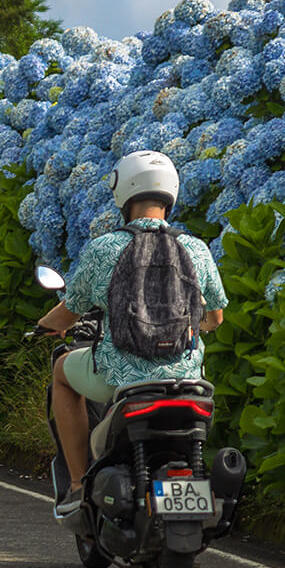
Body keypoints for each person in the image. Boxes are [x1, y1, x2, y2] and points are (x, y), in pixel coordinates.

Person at [37, 150, 228, 519]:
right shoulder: (196, 249)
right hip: (186, 379)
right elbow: (215, 318)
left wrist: (47, 327)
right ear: (170, 193)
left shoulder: (104, 248)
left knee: (62, 372)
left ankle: (78, 485)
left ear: (123, 194)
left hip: (121, 377)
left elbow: (69, 311)